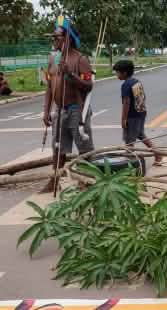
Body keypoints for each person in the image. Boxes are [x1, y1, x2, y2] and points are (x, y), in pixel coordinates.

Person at [41, 16, 95, 194]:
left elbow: (89, 85)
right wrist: (46, 110)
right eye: (53, 37)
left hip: (76, 110)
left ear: (68, 39)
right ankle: (54, 181)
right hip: (60, 110)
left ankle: (85, 181)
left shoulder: (80, 59)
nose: (54, 40)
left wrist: (71, 74)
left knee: (84, 149)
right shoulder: (53, 59)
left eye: (57, 37)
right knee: (58, 149)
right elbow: (49, 86)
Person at [113, 60, 163, 166]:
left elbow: (126, 103)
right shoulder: (136, 81)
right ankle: (157, 153)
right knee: (140, 134)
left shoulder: (126, 85)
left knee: (129, 141)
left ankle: (129, 163)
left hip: (132, 116)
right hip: (141, 112)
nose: (116, 74)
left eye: (117, 72)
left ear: (124, 73)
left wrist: (123, 119)